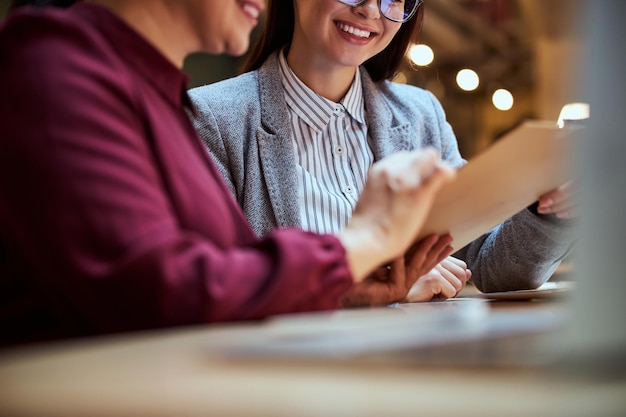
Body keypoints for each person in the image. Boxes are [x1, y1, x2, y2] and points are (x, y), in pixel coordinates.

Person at [0, 0, 456, 346]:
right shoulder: (57, 67)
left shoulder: (153, 94)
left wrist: (357, 288)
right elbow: (159, 295)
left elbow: (234, 282)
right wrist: (364, 244)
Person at [188, 0, 578, 295]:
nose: (370, 10)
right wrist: (378, 288)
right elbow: (215, 285)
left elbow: (494, 269)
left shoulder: (420, 114)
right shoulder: (212, 118)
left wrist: (547, 212)